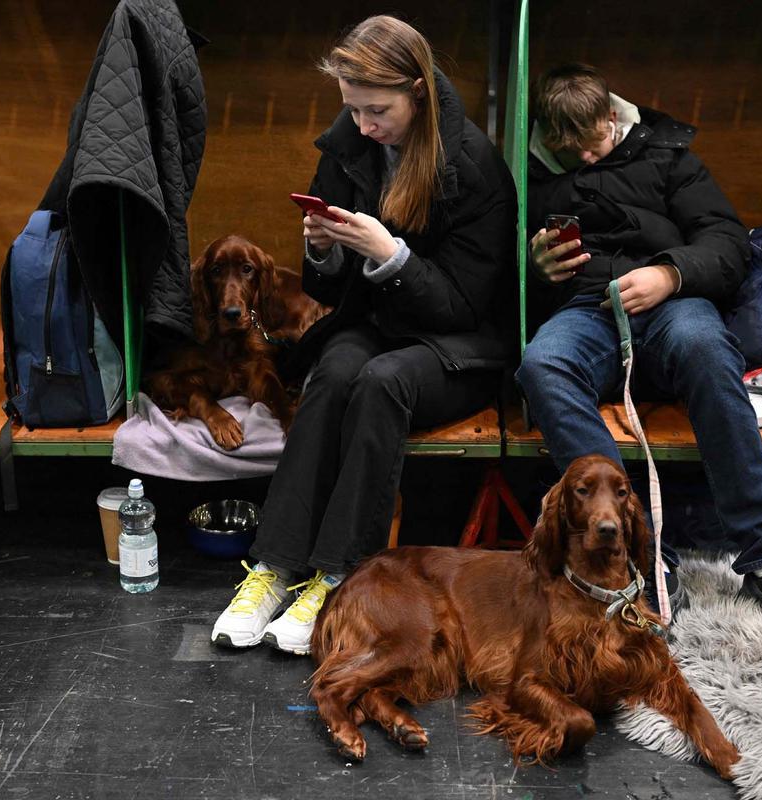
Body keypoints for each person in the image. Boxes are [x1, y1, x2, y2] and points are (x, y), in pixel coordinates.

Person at [211, 16, 517, 654]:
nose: (362, 126)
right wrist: (322, 251)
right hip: (380, 323)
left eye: (377, 110)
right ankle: (275, 566)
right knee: (332, 375)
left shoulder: (475, 166)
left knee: (382, 381)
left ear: (418, 92)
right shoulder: (348, 147)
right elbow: (326, 293)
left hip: (460, 345)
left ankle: (339, 575)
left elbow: (466, 305)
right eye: (352, 109)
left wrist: (392, 256)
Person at [515, 63, 762, 636]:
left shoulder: (666, 155)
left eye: (595, 143)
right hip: (588, 308)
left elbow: (727, 243)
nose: (589, 160)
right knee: (542, 365)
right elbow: (491, 269)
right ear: (547, 136)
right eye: (572, 152)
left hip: (675, 302)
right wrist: (534, 267)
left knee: (705, 346)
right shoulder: (527, 172)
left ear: (610, 117)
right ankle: (635, 551)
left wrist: (670, 274)